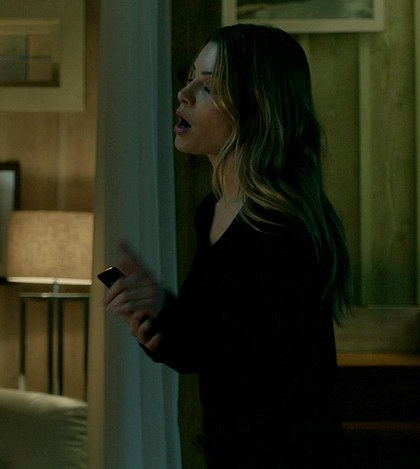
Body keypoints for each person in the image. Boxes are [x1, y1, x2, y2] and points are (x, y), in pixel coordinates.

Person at [102, 23, 352, 468]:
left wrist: (166, 308)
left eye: (208, 87)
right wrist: (152, 318)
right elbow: (205, 346)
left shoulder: (284, 228)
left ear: (256, 107)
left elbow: (262, 369)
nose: (184, 94)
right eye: (189, 78)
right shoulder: (214, 210)